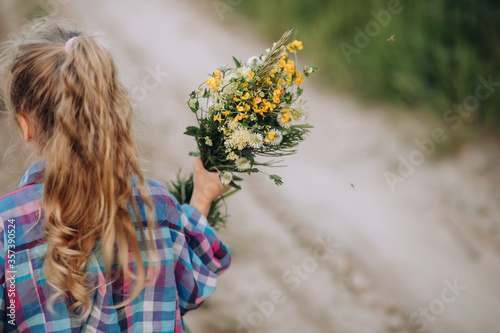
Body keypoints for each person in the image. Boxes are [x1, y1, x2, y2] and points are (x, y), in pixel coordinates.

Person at [0, 18, 231, 332]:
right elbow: (187, 287)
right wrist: (202, 196)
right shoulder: (157, 206)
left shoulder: (7, 227)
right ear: (108, 109)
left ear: (25, 124)